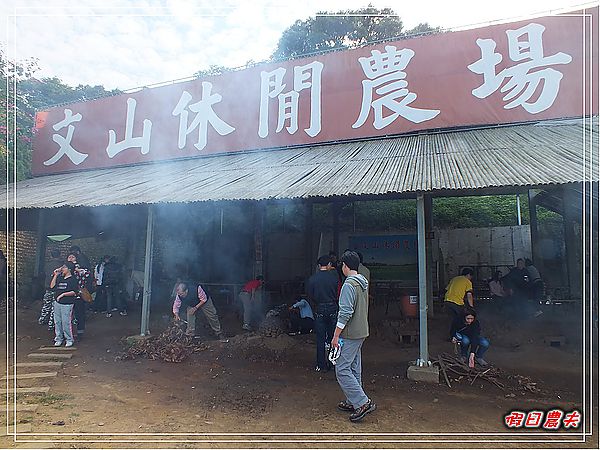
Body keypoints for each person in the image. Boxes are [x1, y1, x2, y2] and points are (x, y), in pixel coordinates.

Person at [331, 250, 376, 423]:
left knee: (342, 369)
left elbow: (345, 313)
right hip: (361, 331)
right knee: (353, 367)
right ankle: (353, 400)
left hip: (350, 333)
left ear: (345, 265)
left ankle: (363, 402)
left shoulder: (349, 285)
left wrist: (336, 336)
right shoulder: (363, 282)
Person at [307, 255, 340, 372]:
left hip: (319, 309)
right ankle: (333, 363)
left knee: (320, 339)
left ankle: (321, 365)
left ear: (319, 266)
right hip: (332, 308)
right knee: (333, 338)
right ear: (329, 265)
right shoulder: (335, 278)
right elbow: (338, 295)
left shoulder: (312, 279)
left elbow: (310, 296)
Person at [49, 262, 78, 347]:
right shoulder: (60, 278)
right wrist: (55, 275)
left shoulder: (73, 279)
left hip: (67, 303)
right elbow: (52, 287)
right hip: (57, 303)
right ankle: (58, 338)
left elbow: (74, 291)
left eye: (64, 267)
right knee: (57, 321)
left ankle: (69, 339)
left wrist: (63, 294)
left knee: (66, 322)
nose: (62, 269)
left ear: (69, 269)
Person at [443, 267, 474, 340]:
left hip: (447, 302)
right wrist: (471, 307)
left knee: (454, 320)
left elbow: (446, 289)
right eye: (471, 276)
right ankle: (462, 335)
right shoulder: (467, 281)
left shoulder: (454, 279)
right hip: (457, 303)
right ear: (469, 275)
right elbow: (469, 295)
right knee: (463, 319)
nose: (471, 278)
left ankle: (453, 336)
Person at [67, 252, 91, 340]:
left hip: (78, 294)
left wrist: (76, 268)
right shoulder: (64, 268)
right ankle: (69, 333)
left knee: (79, 313)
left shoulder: (80, 269)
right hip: (67, 294)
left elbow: (86, 274)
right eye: (69, 257)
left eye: (72, 257)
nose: (70, 258)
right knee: (68, 315)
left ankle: (80, 332)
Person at [38, 249, 64, 329]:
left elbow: (44, 274)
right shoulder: (62, 265)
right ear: (59, 255)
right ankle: (51, 324)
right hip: (57, 289)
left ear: (51, 255)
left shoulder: (47, 265)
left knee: (46, 305)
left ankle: (42, 320)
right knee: (54, 307)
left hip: (48, 288)